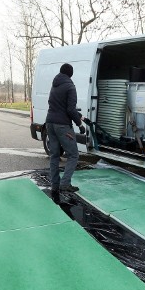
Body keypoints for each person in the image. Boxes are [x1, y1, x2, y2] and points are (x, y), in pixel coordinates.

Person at [45, 63, 87, 200]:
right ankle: (65, 183)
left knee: (54, 155)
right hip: (62, 125)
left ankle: (55, 185)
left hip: (49, 123)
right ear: (71, 74)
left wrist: (76, 115)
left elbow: (56, 104)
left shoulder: (54, 85)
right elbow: (70, 109)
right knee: (73, 154)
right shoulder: (70, 86)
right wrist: (80, 124)